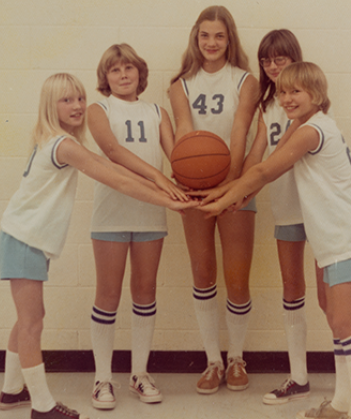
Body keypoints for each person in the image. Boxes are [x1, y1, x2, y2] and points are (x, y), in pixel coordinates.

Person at [0, 73, 196, 419]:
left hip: (23, 239)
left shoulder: (54, 140)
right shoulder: (63, 145)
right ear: (50, 106)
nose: (76, 106)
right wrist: (170, 201)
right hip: (23, 239)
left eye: (79, 98)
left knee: (26, 320)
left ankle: (11, 391)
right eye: (66, 100)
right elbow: (115, 178)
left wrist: (162, 187)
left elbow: (110, 167)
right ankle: (42, 407)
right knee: (32, 323)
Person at [196, 62, 351, 419]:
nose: (286, 98)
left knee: (346, 324)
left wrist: (221, 202)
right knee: (335, 319)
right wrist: (225, 191)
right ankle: (341, 404)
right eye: (282, 92)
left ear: (316, 94)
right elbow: (260, 165)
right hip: (332, 240)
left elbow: (267, 170)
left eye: (295, 91)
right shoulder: (304, 125)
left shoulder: (313, 131)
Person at [87, 44, 188, 410]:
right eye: (114, 70)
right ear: (105, 77)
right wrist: (160, 180)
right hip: (112, 212)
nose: (123, 75)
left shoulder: (157, 111)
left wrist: (195, 180)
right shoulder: (98, 109)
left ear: (140, 73)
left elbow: (179, 156)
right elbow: (112, 151)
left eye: (129, 68)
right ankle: (102, 379)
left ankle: (140, 374)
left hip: (151, 214)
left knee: (145, 290)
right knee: (108, 294)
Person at [168, 5, 259, 394]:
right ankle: (212, 361)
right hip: (195, 189)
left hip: (235, 188)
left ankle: (236, 357)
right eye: (205, 35)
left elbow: (239, 131)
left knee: (237, 281)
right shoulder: (179, 84)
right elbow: (186, 135)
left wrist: (231, 185)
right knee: (203, 275)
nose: (211, 43)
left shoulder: (245, 80)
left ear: (230, 39)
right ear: (196, 37)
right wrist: (196, 183)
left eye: (219, 36)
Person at [239, 28, 319, 405]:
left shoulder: (310, 106)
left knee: (331, 298)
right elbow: (257, 157)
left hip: (320, 211)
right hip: (287, 209)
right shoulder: (267, 107)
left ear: (294, 59)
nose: (272, 66)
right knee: (292, 289)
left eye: (280, 59)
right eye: (266, 60)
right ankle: (298, 377)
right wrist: (236, 190)